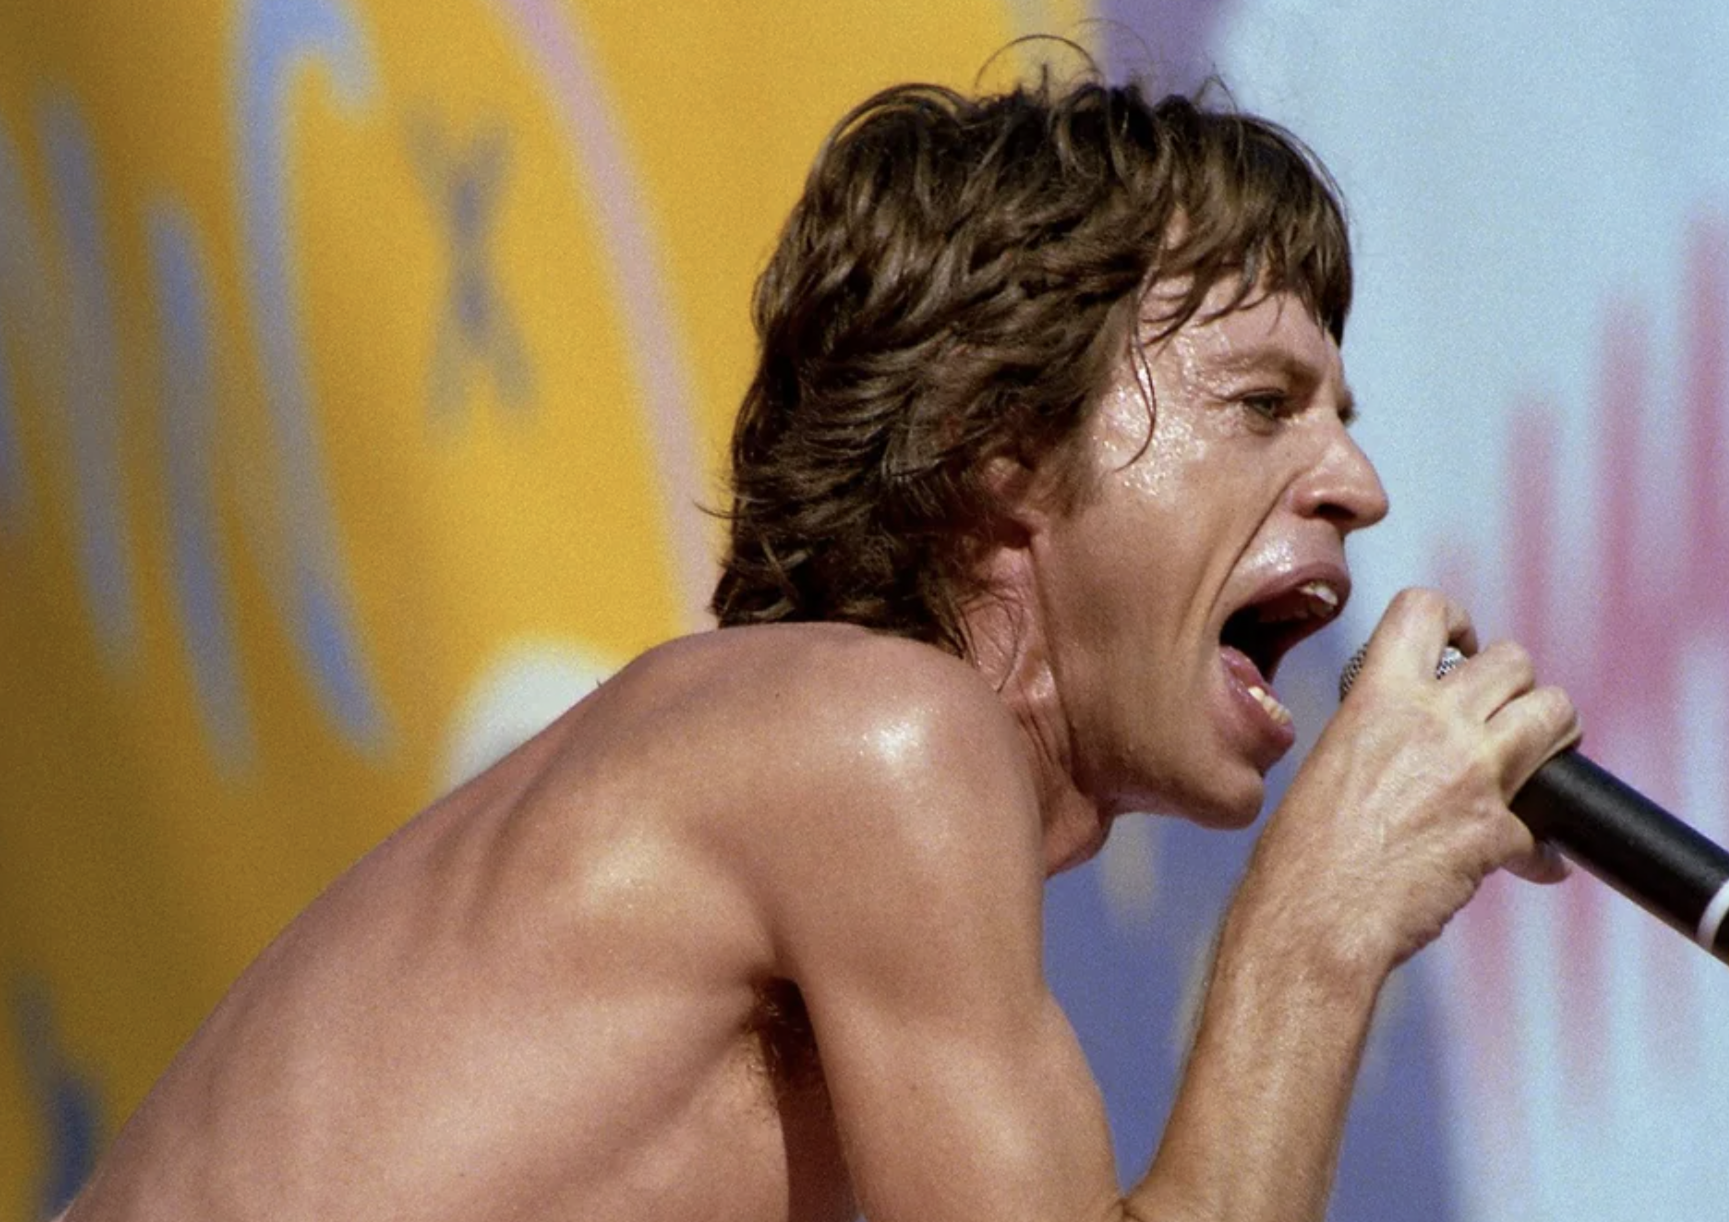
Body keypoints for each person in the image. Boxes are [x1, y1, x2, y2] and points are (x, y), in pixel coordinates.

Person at [60, 68, 1578, 1222]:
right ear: (1000, 441)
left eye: (1341, 423)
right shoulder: (870, 734)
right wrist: (1320, 928)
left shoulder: (846, 870)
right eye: (1262, 404)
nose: (1358, 486)